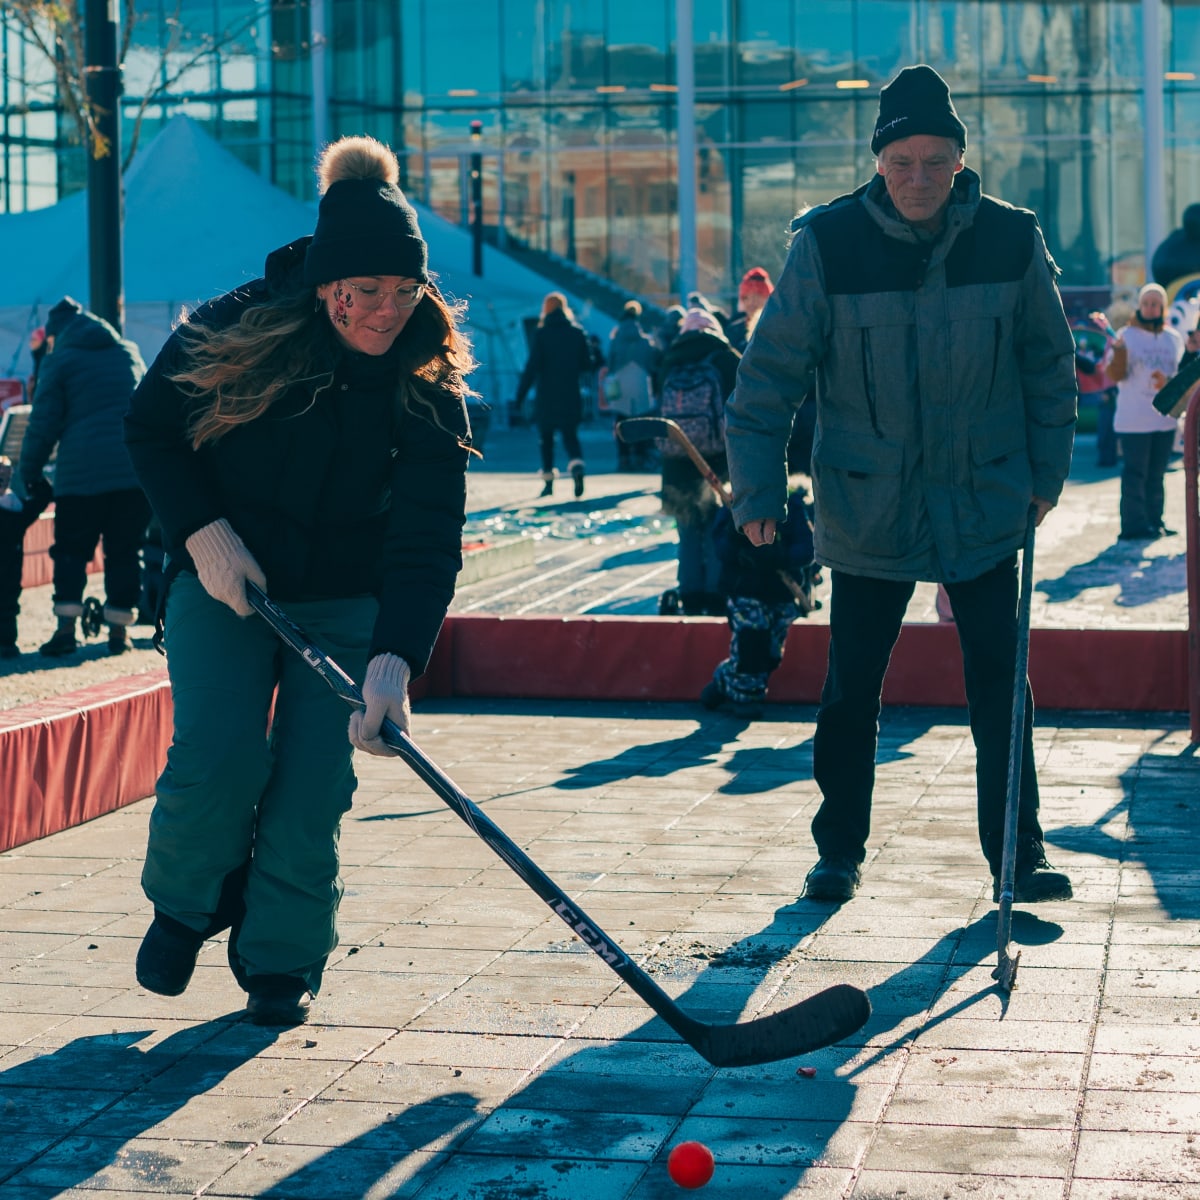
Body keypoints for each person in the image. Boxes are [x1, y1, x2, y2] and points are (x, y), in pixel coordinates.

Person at [123, 134, 476, 1026]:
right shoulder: (237, 325)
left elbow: (430, 532)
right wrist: (200, 533)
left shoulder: (426, 374)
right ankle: (186, 900)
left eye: (406, 291)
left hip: (347, 598)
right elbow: (150, 428)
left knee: (317, 782)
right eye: (367, 293)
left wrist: (396, 660)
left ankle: (279, 954)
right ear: (327, 286)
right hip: (226, 581)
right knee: (221, 757)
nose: (387, 311)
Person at [724, 64, 1078, 906]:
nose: (918, 178)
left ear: (959, 159)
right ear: (878, 162)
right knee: (853, 685)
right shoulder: (828, 245)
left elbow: (1049, 365)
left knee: (1001, 680)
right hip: (868, 504)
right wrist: (758, 497)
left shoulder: (1011, 238)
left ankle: (1017, 851)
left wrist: (1045, 477)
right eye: (901, 162)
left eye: (935, 161)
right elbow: (767, 380)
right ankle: (837, 850)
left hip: (986, 497)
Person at [19, 296, 150, 657]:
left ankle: (65, 631)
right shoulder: (128, 352)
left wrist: (29, 471)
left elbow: (43, 423)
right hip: (131, 473)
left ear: (56, 334)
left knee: (71, 552)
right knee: (126, 551)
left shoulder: (60, 360)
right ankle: (118, 634)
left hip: (81, 477)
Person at [701, 484, 817, 718]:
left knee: (771, 652)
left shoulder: (792, 505)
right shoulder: (734, 501)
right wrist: (743, 550)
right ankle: (747, 698)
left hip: (781, 591)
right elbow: (721, 546)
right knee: (752, 637)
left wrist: (780, 556)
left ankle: (724, 679)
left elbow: (808, 548)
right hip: (743, 587)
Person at [655, 306, 741, 616]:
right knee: (717, 530)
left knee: (688, 531)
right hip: (718, 462)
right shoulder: (726, 358)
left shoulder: (669, 360)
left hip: (676, 463)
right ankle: (717, 595)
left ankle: (690, 594)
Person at [1093, 284, 1184, 539]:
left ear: (1163, 307)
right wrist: (1120, 352)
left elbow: (1178, 376)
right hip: (1134, 420)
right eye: (1146, 303)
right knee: (1135, 474)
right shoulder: (1125, 336)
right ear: (1140, 306)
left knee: (1157, 475)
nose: (1150, 307)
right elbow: (1113, 375)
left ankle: (1155, 521)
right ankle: (1133, 525)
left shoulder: (1173, 338)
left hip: (1163, 421)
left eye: (1156, 303)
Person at [514, 292, 597, 497]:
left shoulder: (541, 334)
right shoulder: (577, 333)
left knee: (546, 439)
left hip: (547, 396)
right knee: (571, 436)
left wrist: (520, 396)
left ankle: (549, 483)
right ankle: (577, 467)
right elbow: (588, 364)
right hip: (571, 394)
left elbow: (532, 367)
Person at [606, 299, 660, 468]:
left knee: (621, 421)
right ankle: (639, 455)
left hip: (621, 382)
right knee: (640, 420)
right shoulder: (645, 341)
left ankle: (623, 457)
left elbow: (610, 364)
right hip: (641, 382)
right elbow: (653, 364)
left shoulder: (615, 340)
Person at [1075, 322, 1118, 467]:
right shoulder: (1109, 345)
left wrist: (1110, 391)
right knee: (1105, 428)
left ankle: (1108, 457)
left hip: (1107, 391)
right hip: (1104, 389)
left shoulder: (1113, 345)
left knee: (1106, 427)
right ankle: (1107, 457)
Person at [727, 267, 774, 353]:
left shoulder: (776, 328)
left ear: (768, 298)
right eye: (746, 297)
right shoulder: (733, 329)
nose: (751, 302)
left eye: (757, 296)